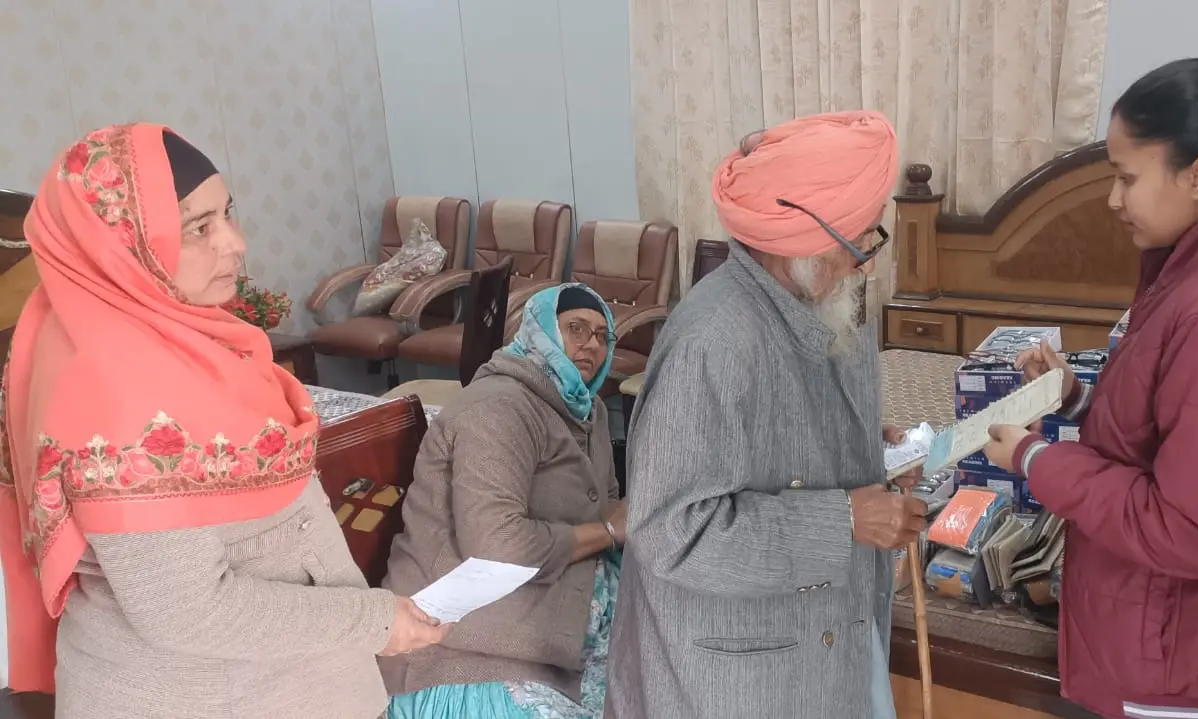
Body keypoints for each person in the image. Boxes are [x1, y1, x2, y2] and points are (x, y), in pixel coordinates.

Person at [0, 123, 447, 718]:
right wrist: (373, 621)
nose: (235, 243)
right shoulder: (116, 388)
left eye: (227, 214)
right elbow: (187, 610)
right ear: (122, 244)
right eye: (199, 227)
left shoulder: (189, 341)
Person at [982, 59, 1198, 719]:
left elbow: (1195, 529)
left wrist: (1036, 459)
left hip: (1192, 665)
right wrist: (1077, 398)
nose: (1113, 201)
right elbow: (1183, 430)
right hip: (1185, 637)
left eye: (1127, 178)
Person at [605, 111, 926, 719]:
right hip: (737, 678)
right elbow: (670, 530)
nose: (867, 263)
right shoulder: (712, 342)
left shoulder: (837, 299)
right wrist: (844, 520)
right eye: (860, 242)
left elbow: (795, 436)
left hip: (834, 636)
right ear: (799, 244)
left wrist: (875, 453)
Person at [383, 282, 626, 719]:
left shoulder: (589, 409)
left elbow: (604, 500)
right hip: (460, 642)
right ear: (540, 331)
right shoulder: (498, 408)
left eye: (601, 335)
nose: (591, 344)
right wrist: (608, 532)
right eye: (575, 328)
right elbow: (497, 546)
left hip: (550, 607)